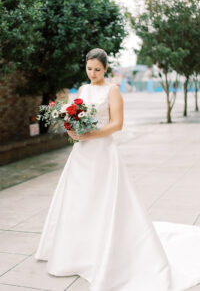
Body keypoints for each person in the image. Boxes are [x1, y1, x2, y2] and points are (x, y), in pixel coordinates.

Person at [34, 48, 200, 291]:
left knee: (105, 199)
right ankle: (76, 252)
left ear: (106, 68)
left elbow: (117, 124)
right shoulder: (82, 89)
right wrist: (72, 130)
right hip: (82, 154)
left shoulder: (112, 90)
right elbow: (73, 116)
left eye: (97, 69)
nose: (92, 73)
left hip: (103, 152)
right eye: (89, 69)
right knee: (79, 200)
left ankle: (106, 248)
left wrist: (90, 134)